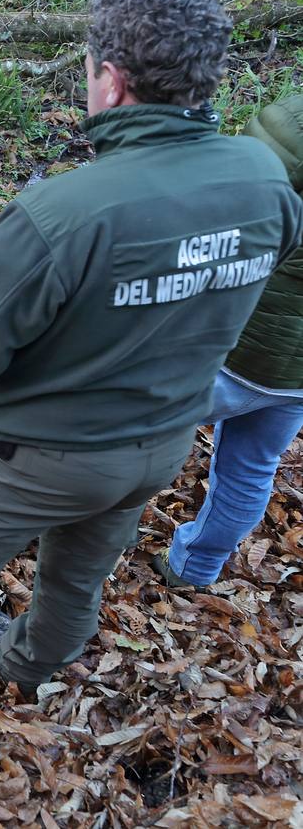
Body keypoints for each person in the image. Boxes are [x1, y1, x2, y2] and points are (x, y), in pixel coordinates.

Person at [0, 0, 303, 788]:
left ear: (110, 80)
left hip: (36, 455)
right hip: (161, 441)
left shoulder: (63, 212)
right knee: (77, 574)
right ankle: (28, 667)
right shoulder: (264, 181)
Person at [155, 95, 303, 589]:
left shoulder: (291, 122)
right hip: (294, 376)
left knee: (110, 425)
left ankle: (60, 526)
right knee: (251, 470)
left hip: (231, 350)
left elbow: (229, 203)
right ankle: (194, 570)